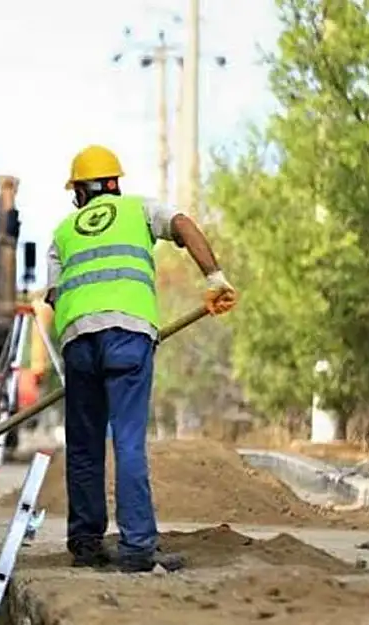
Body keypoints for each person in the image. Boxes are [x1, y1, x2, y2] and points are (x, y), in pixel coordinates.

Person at [44, 144, 238, 573]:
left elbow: (57, 297)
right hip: (128, 336)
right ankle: (135, 549)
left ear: (80, 192)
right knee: (128, 441)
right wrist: (215, 278)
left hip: (78, 339)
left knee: (84, 447)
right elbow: (184, 225)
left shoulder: (61, 233)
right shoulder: (139, 209)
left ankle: (86, 545)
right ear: (114, 183)